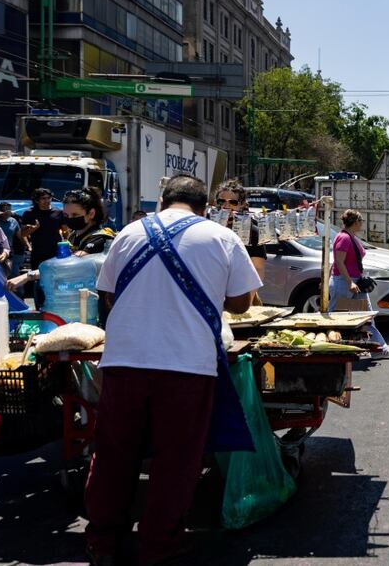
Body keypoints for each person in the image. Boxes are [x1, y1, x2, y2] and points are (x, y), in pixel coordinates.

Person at [85, 175, 263, 566]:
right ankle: (159, 544)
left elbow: (109, 296)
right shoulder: (221, 236)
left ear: (163, 200)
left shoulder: (128, 233)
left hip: (124, 361)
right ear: (204, 207)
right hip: (186, 366)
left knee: (114, 453)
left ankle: (103, 541)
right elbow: (241, 304)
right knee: (176, 458)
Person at [332, 209, 389, 357]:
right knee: (337, 316)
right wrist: (349, 283)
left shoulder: (351, 236)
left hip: (355, 281)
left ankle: (380, 348)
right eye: (361, 221)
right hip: (344, 282)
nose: (362, 224)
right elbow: (339, 263)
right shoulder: (344, 238)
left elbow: (338, 261)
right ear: (355, 222)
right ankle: (334, 349)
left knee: (367, 316)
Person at [213, 179, 265, 290]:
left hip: (239, 291)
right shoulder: (206, 226)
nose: (226, 205)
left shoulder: (253, 231)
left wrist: (248, 299)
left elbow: (258, 268)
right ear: (215, 202)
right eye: (222, 201)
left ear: (241, 205)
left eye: (233, 202)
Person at [0, 203, 26, 277]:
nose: (7, 212)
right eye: (4, 210)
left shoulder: (13, 221)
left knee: (12, 273)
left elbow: (20, 236)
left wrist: (27, 245)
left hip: (8, 250)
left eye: (8, 210)